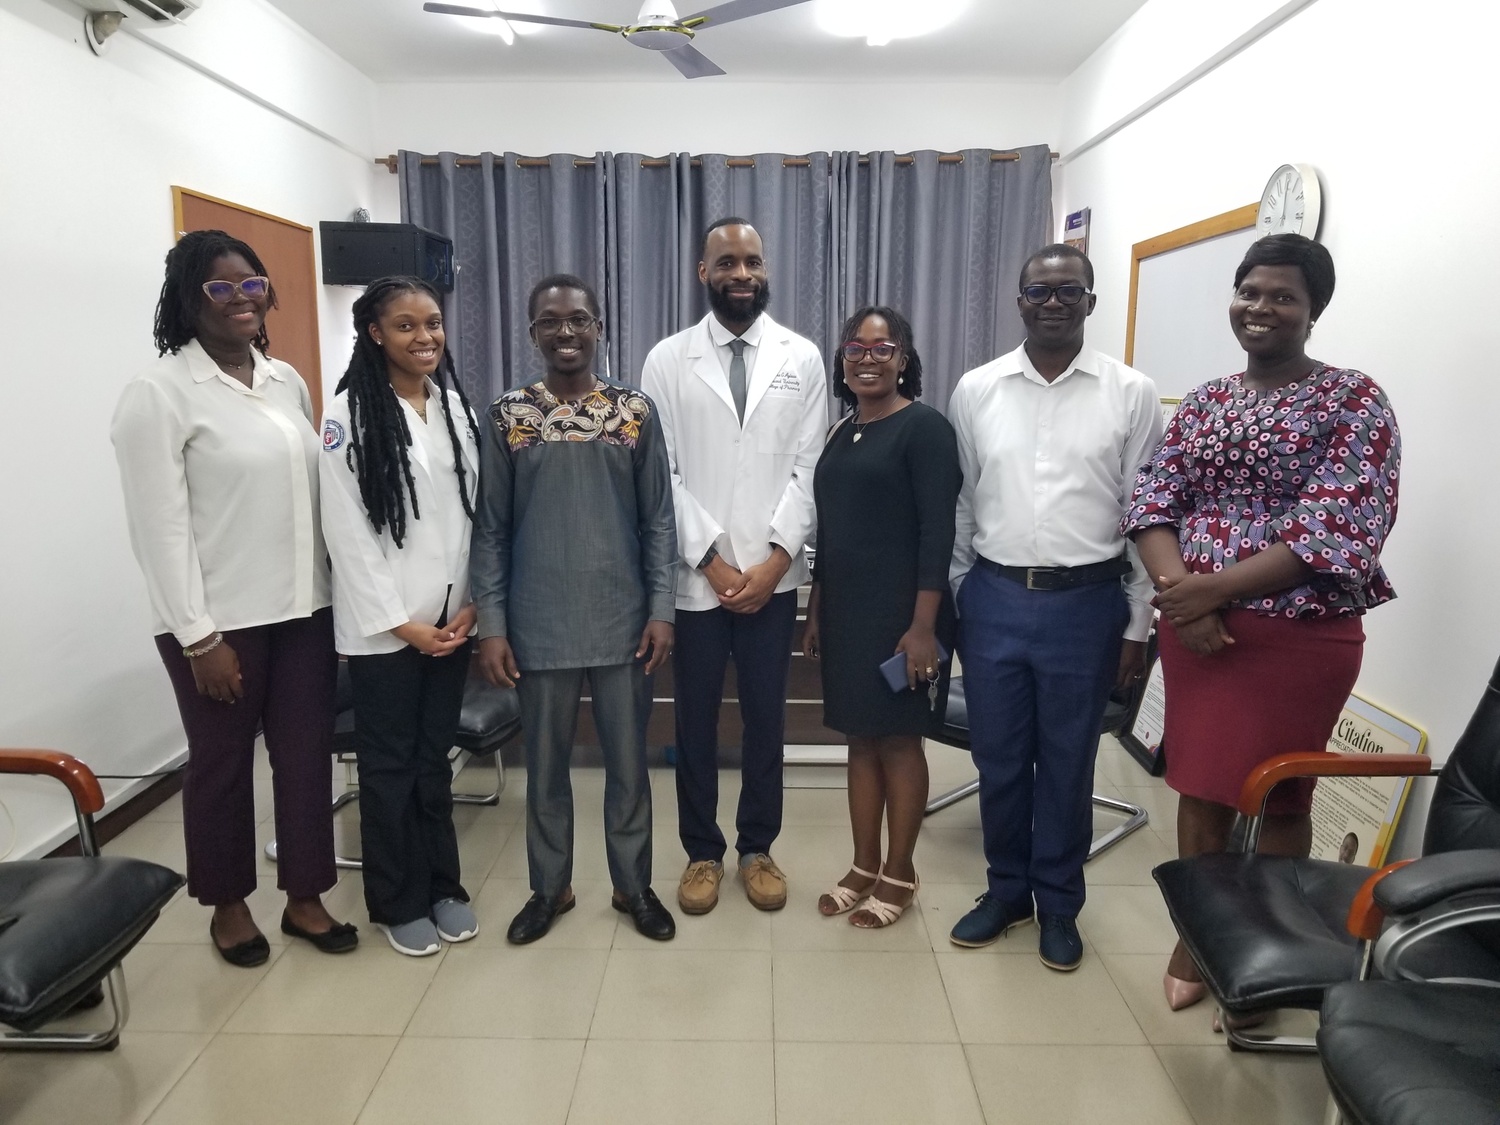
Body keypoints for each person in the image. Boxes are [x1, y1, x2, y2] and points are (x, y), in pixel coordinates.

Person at [1124, 233, 1400, 1010]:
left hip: (1298, 636)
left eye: (1283, 296)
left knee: (1282, 795)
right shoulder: (1207, 399)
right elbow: (1152, 498)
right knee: (1202, 787)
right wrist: (1182, 592)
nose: (1261, 308)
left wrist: (1210, 593)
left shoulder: (1353, 399)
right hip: (1197, 632)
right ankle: (1196, 930)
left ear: (1313, 310)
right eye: (1250, 291)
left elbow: (1339, 527)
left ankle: (1270, 943)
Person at [111, 230, 356, 965]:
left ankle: (306, 896)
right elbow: (159, 528)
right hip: (218, 623)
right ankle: (227, 904)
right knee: (220, 763)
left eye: (253, 284)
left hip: (302, 610)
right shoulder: (158, 393)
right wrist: (198, 635)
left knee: (305, 756)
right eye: (223, 288)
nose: (244, 299)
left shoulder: (286, 381)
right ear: (190, 299)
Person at [947, 243, 1162, 971]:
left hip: (1087, 603)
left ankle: (1060, 904)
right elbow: (963, 506)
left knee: (1067, 764)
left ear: (1091, 302)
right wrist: (957, 603)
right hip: (996, 597)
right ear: (1019, 301)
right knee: (1000, 758)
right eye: (1039, 292)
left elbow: (1146, 513)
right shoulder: (976, 389)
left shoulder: (1131, 392)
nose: (1053, 303)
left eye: (1069, 292)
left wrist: (1137, 622)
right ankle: (1005, 890)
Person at [472, 273, 678, 944]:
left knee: (628, 768)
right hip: (538, 624)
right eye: (551, 321)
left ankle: (632, 885)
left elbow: (658, 522)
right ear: (532, 332)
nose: (567, 331)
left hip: (623, 622)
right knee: (547, 772)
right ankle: (549, 887)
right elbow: (491, 529)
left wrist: (662, 610)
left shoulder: (633, 411)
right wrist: (494, 625)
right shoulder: (508, 415)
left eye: (580, 319)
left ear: (600, 327)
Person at [640, 217, 827, 916]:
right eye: (726, 262)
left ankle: (756, 847)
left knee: (764, 718)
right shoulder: (667, 358)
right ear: (703, 272)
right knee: (694, 719)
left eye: (751, 260)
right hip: (699, 581)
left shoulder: (800, 358)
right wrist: (715, 563)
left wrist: (776, 561)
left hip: (772, 581)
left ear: (766, 267)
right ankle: (701, 852)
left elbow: (811, 468)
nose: (740, 273)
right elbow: (665, 470)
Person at [319, 276, 481, 957]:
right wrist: (399, 621)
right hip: (386, 632)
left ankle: (443, 884)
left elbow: (472, 515)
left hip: (452, 623)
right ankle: (396, 898)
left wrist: (472, 602)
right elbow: (347, 534)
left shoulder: (453, 409)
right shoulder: (348, 415)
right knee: (387, 768)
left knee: (433, 763)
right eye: (408, 325)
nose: (426, 337)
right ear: (374, 333)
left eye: (434, 323)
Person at [803, 306, 961, 928]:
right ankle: (863, 862)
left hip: (904, 615)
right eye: (855, 348)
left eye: (882, 347)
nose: (867, 358)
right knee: (859, 738)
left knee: (898, 739)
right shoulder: (844, 430)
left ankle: (900, 871)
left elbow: (937, 533)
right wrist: (816, 607)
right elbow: (833, 529)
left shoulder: (925, 429)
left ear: (903, 359)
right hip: (846, 609)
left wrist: (923, 628)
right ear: (843, 360)